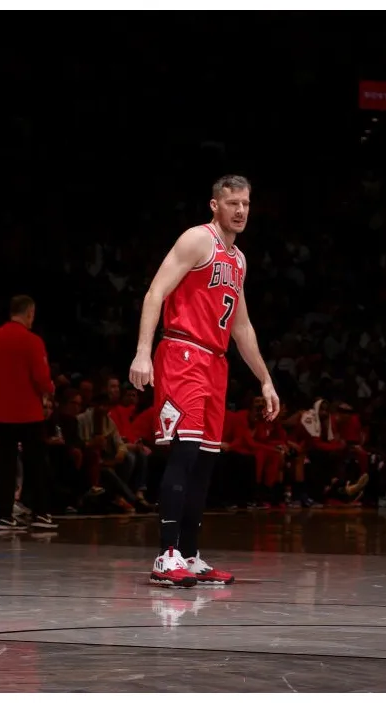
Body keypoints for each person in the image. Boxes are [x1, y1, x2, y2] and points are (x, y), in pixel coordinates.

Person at [129, 175, 280, 588]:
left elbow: (241, 327)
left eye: (245, 203)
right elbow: (155, 292)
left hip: (216, 362)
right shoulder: (198, 239)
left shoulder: (239, 259)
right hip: (183, 352)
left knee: (206, 462)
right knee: (184, 454)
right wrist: (143, 351)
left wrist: (265, 379)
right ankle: (167, 555)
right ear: (215, 205)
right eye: (232, 203)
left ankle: (190, 555)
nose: (241, 210)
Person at [0, 295, 58, 531]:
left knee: (6, 465)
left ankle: (3, 514)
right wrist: (50, 389)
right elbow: (41, 378)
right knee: (36, 465)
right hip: (28, 413)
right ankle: (40, 513)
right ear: (29, 313)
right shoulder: (32, 341)